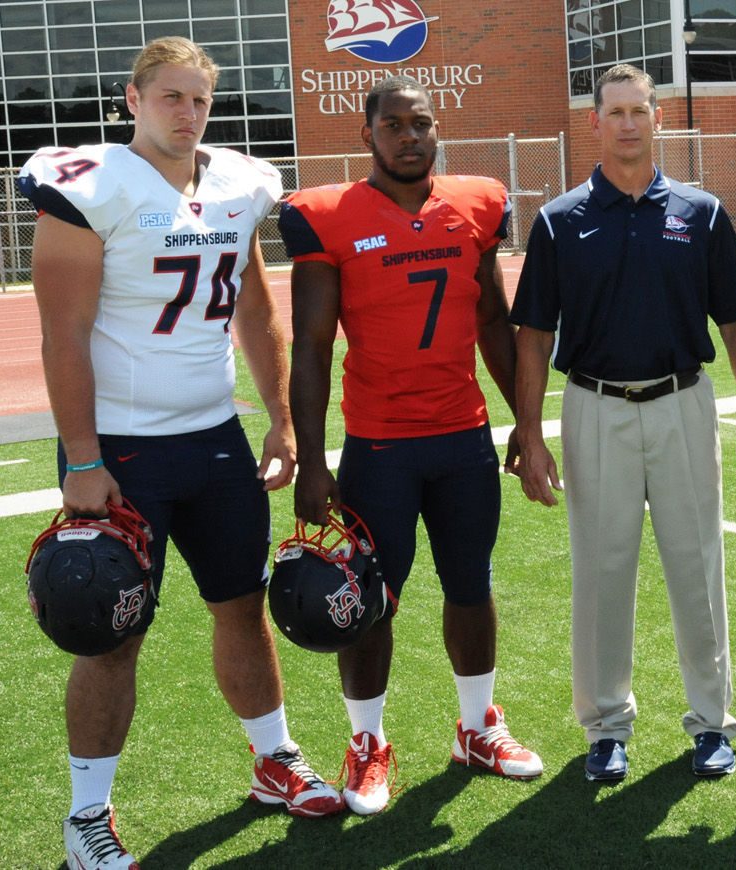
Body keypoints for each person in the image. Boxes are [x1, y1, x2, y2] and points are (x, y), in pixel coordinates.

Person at [18, 36, 342, 870]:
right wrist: (83, 457)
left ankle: (274, 759)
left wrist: (281, 418)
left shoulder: (240, 182)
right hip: (122, 452)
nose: (187, 113)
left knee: (242, 602)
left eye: (199, 99)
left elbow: (253, 306)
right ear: (132, 100)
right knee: (109, 631)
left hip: (213, 438)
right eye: (169, 97)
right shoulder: (89, 187)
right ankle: (87, 812)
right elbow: (62, 333)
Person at [278, 75, 542, 815]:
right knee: (368, 602)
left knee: (471, 584)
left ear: (436, 131)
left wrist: (524, 421)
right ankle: (367, 743)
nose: (408, 136)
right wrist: (314, 458)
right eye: (393, 125)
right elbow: (311, 349)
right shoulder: (329, 215)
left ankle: (477, 727)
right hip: (380, 447)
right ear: (367, 134)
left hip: (462, 439)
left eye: (420, 123)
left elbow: (494, 322)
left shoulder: (476, 203)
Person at [510, 63, 736, 782]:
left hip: (683, 402)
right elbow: (532, 333)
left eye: (640, 110)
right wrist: (530, 435)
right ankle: (605, 728)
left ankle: (712, 723)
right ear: (594, 122)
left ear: (658, 118)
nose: (628, 123)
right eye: (614, 111)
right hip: (593, 408)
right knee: (602, 573)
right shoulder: (561, 220)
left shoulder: (702, 211)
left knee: (697, 569)